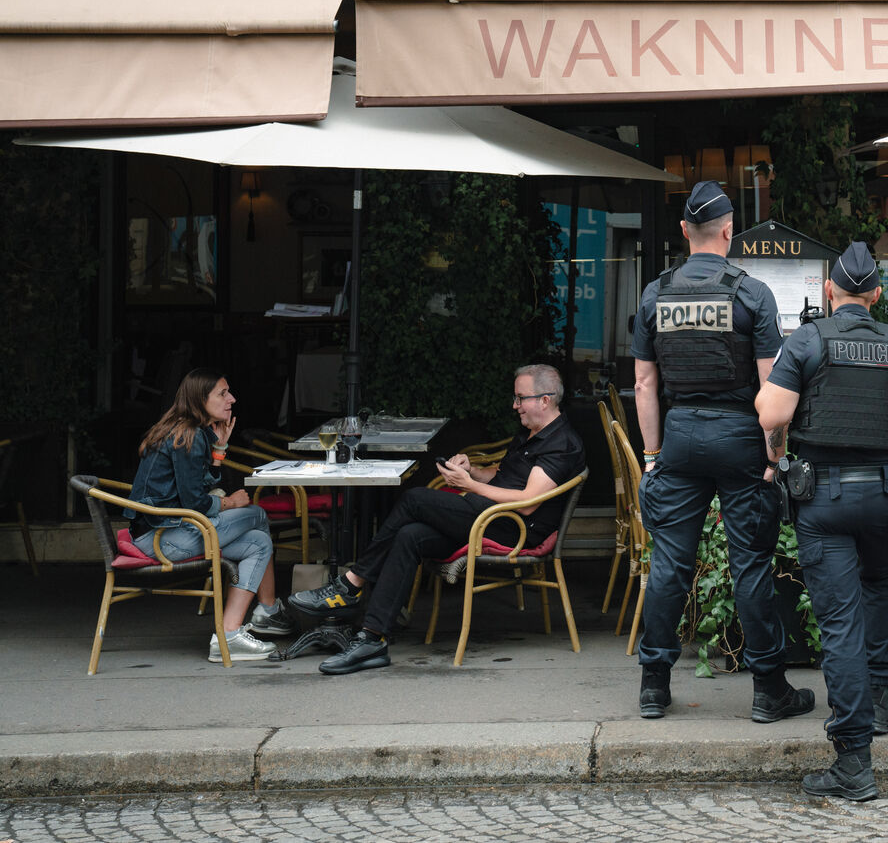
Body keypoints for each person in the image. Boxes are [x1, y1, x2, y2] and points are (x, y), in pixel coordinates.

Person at [755, 241, 888, 802]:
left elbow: (772, 414)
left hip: (825, 500)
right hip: (884, 497)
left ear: (829, 290)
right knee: (880, 590)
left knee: (839, 624)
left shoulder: (807, 340)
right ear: (877, 294)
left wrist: (777, 459)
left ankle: (854, 760)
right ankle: (881, 701)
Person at [632, 180, 813, 724]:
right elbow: (772, 390)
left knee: (670, 564)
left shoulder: (655, 293)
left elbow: (644, 384)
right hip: (739, 438)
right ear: (729, 231)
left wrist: (652, 455)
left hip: (680, 436)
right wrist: (775, 460)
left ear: (684, 230)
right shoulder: (752, 294)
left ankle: (653, 686)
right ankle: (769, 690)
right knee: (750, 564)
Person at [289, 364, 585, 675]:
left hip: (513, 529)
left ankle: (351, 585)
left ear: (545, 400)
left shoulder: (562, 443)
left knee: (415, 499)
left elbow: (527, 502)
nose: (515, 405)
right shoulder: (530, 432)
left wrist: (468, 485)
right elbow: (502, 477)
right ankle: (371, 639)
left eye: (520, 398)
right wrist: (472, 471)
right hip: (488, 514)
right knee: (411, 536)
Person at [126, 368, 292, 662]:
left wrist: (219, 451)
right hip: (164, 538)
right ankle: (268, 611)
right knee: (257, 514)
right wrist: (230, 502)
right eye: (222, 393)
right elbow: (196, 503)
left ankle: (229, 634)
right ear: (200, 399)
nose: (232, 399)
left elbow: (198, 487)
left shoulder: (188, 430)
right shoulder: (187, 436)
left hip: (168, 532)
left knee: (259, 543)